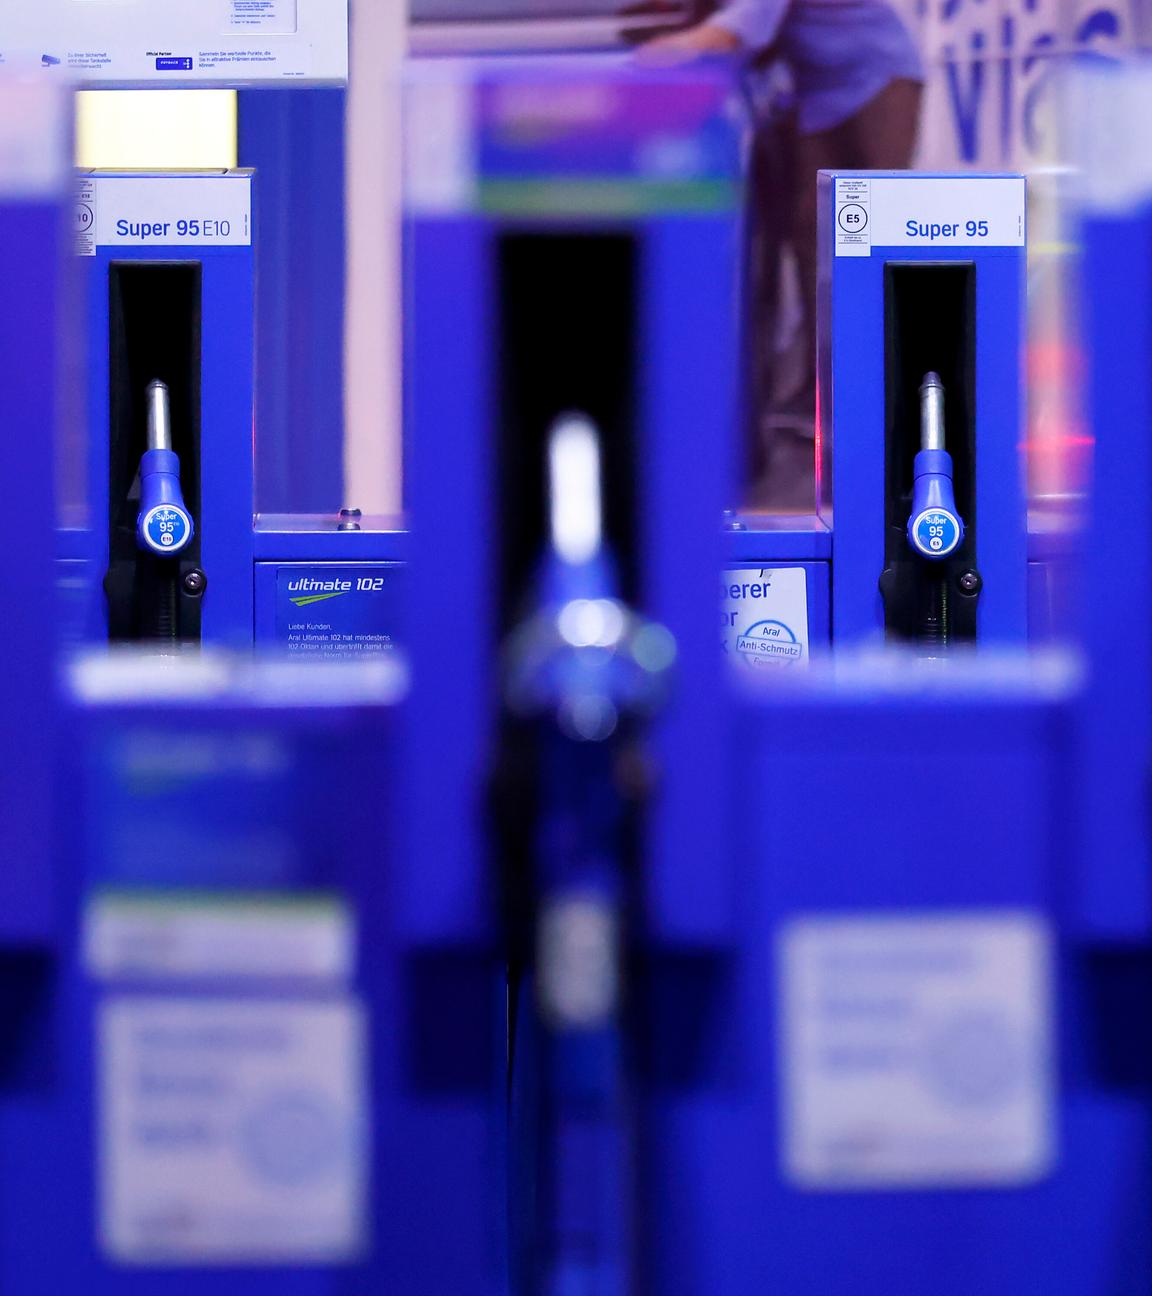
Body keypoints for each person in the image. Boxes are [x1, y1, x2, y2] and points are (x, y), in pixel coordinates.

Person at [643, 0, 924, 503]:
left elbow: (741, 28)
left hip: (879, 77)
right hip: (820, 95)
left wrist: (648, 61)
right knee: (810, 240)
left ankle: (877, 404)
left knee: (874, 240)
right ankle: (818, 395)